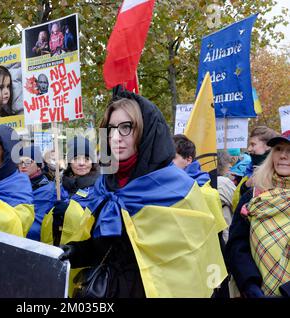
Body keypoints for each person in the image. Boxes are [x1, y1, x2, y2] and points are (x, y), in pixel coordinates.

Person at [59, 92, 226, 298]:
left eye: (126, 128)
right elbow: (105, 247)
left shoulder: (179, 187)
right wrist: (77, 252)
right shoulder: (105, 183)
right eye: (110, 129)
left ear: (145, 131)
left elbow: (200, 257)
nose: (115, 137)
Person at [228, 130, 290, 297]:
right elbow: (237, 245)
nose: (283, 156)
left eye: (289, 150)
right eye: (278, 149)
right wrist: (250, 285)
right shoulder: (254, 195)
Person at [41, 137, 99, 246]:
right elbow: (47, 211)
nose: (81, 163)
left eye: (86, 158)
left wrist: (69, 210)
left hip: (84, 248)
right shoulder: (59, 185)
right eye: (76, 158)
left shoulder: (101, 186)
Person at [18, 145, 62, 241]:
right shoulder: (13, 187)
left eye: (28, 162)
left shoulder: (52, 190)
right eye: (20, 162)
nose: (23, 166)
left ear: (39, 166)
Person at [232, 126, 279, 211]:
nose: (249, 149)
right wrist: (246, 185)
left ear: (268, 146)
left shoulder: (279, 172)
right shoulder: (249, 168)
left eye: (253, 144)